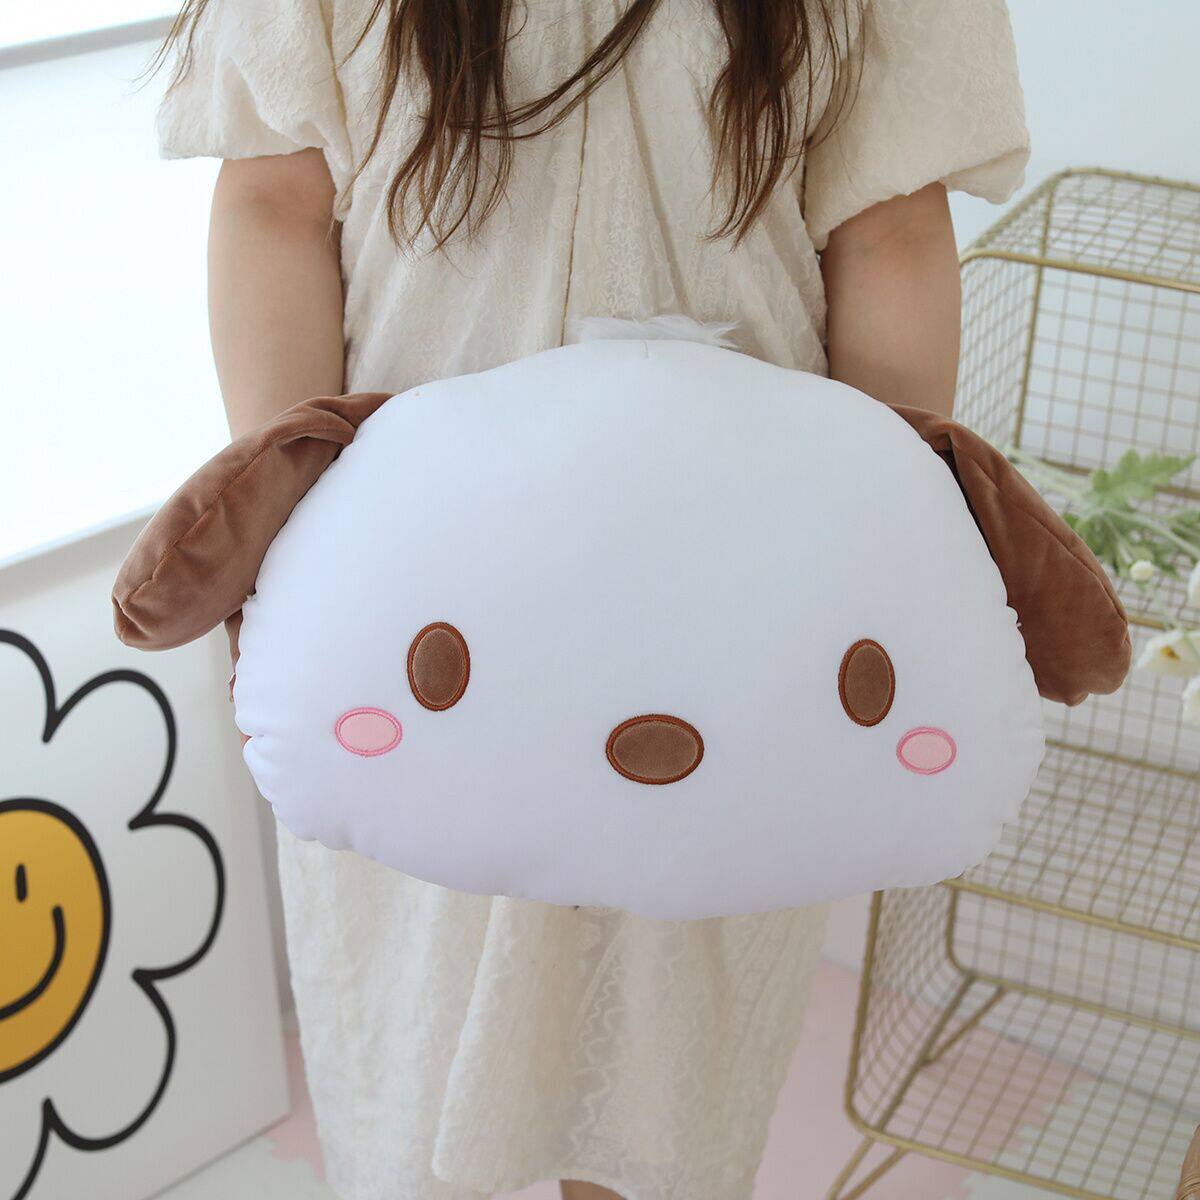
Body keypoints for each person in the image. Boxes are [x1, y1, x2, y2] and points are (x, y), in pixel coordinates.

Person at [156, 2, 1028, 1196]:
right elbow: (274, 201)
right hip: (413, 600)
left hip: (741, 598)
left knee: (670, 1067)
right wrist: (286, 538)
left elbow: (890, 231)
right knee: (415, 1040)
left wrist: (883, 555)